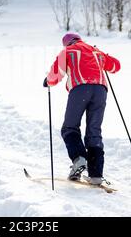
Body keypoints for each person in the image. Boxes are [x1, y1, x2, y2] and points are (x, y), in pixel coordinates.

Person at [43, 33, 121, 185]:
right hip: (100, 91)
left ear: (67, 43)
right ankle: (96, 174)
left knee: (69, 127)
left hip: (80, 89)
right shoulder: (95, 51)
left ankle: (79, 159)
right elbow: (115, 66)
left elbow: (55, 74)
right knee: (94, 131)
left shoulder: (68, 51)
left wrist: (48, 81)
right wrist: (102, 56)